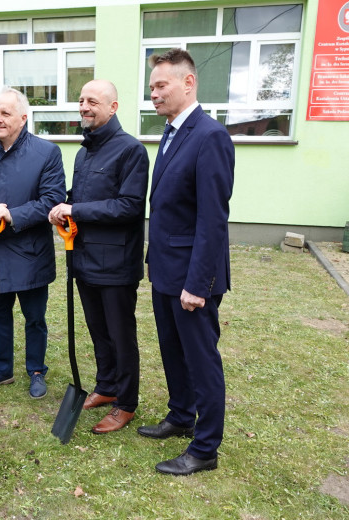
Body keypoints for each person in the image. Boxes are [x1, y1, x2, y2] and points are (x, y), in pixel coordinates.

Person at [136, 48, 234, 476]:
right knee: (172, 350)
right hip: (166, 271)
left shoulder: (209, 135)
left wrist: (198, 283)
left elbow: (213, 219)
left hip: (193, 278)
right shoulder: (172, 132)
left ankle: (206, 447)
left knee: (201, 359)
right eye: (152, 86)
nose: (153, 94)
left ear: (188, 83)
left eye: (161, 85)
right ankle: (180, 416)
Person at [48, 80, 149, 434]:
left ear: (113, 107)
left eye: (92, 101)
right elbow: (85, 195)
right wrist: (64, 208)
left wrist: (75, 206)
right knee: (98, 330)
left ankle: (127, 403)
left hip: (117, 264)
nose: (84, 107)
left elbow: (129, 206)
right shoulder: (84, 152)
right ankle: (107, 386)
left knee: (121, 334)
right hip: (85, 258)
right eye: (80, 101)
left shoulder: (131, 151)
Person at [0, 87, 66, 399]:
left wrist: (10, 214)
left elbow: (52, 200)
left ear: (23, 117)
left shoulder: (46, 153)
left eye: (5, 113)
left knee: (35, 318)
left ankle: (36, 370)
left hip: (30, 252)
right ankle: (2, 369)